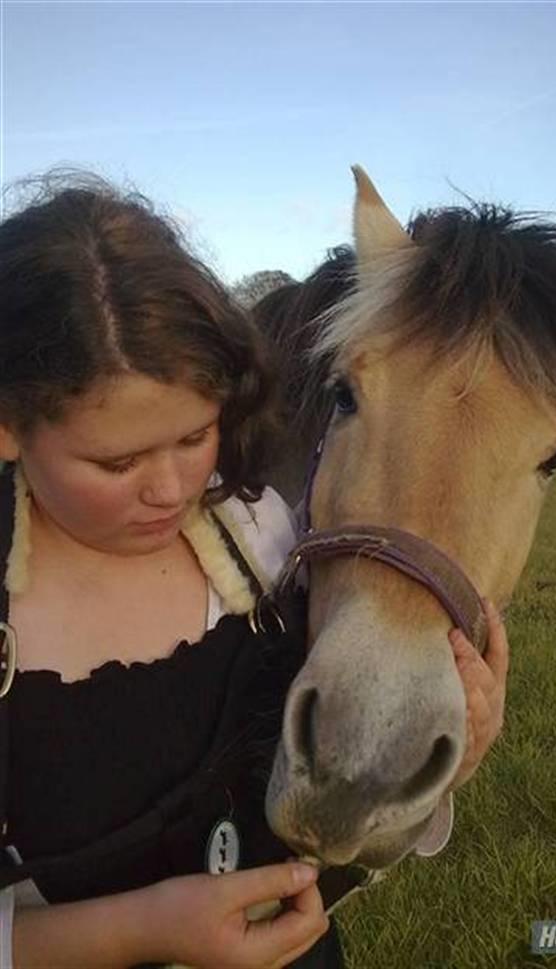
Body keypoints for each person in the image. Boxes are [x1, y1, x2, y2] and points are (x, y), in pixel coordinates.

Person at [0, 173, 509, 968]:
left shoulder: (257, 538)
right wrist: (144, 930)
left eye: (196, 434)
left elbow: (344, 819)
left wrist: (439, 756)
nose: (172, 489)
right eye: (118, 459)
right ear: (9, 429)